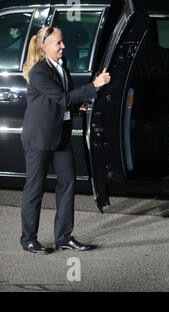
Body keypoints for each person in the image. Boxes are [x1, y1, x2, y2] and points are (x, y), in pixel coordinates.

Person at [20, 26, 111, 254]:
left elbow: (61, 102)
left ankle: (63, 237)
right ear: (44, 47)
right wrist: (94, 86)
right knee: (35, 188)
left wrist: (76, 107)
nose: (63, 46)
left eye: (62, 42)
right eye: (58, 43)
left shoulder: (62, 65)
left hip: (60, 134)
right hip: (39, 137)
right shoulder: (39, 71)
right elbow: (61, 97)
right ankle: (28, 239)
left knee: (68, 183)